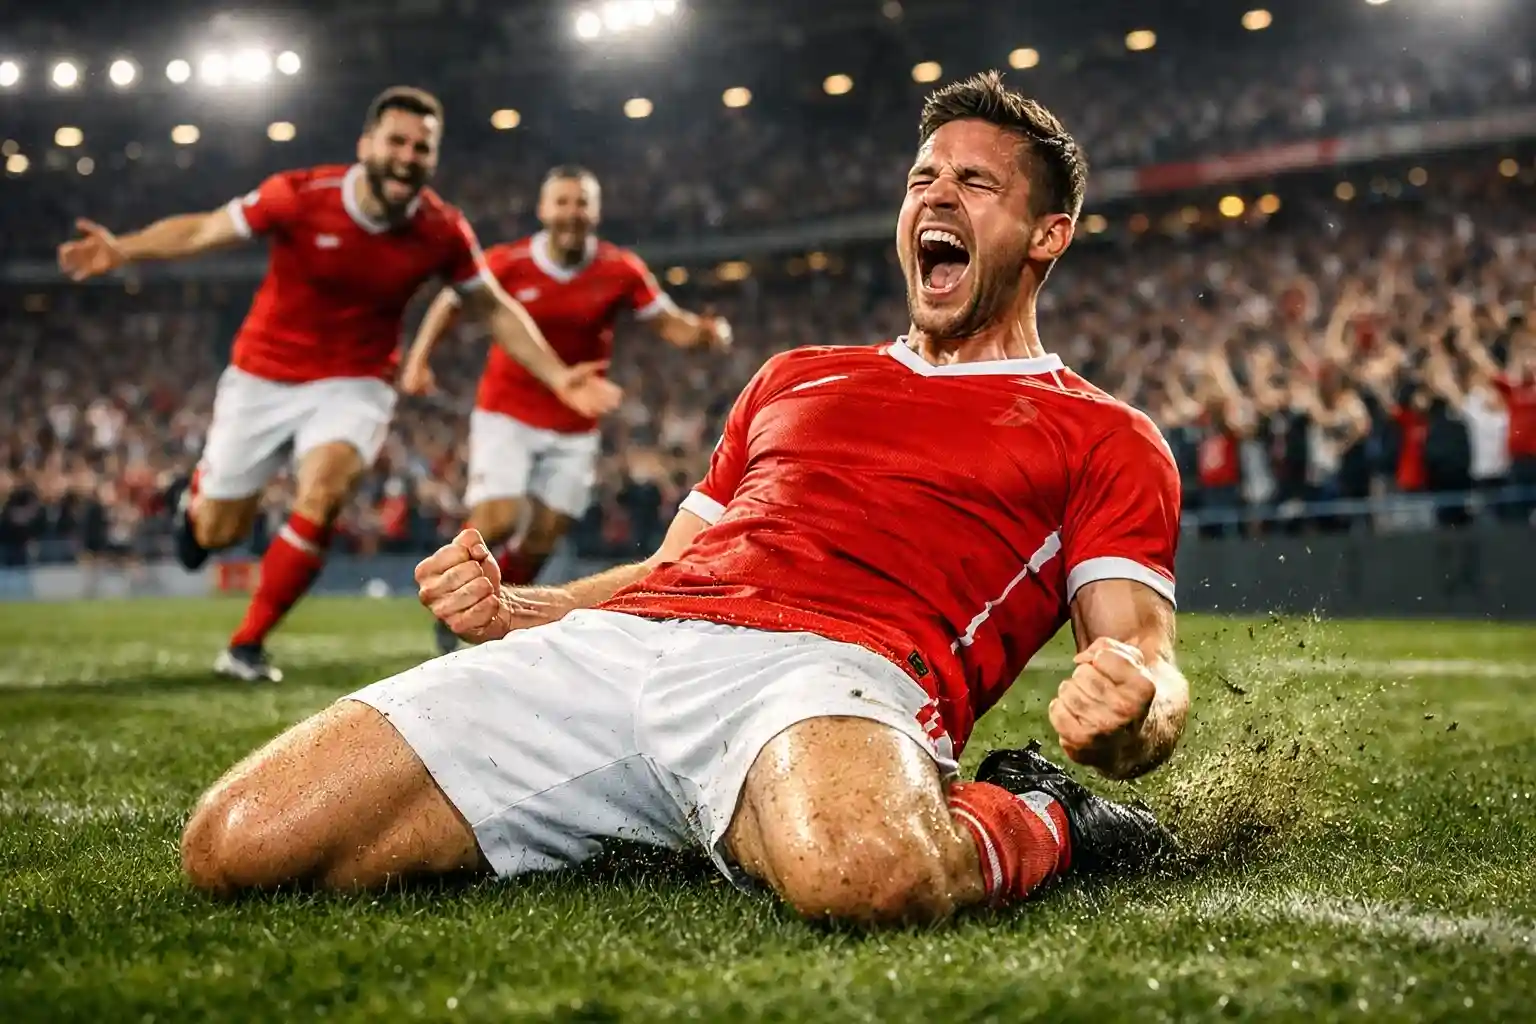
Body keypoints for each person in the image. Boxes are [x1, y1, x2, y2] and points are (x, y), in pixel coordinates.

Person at [180, 72, 1190, 928]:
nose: (938, 195)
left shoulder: (1102, 434)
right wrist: (520, 609)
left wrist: (1135, 709)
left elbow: (1144, 655)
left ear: (1048, 233)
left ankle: (1045, 815)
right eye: (924, 176)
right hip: (627, 650)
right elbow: (669, 574)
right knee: (238, 842)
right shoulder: (793, 376)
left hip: (833, 672)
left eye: (977, 181)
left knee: (862, 873)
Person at [56, 87, 620, 683]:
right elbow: (204, 231)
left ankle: (246, 646)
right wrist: (124, 249)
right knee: (217, 531)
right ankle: (195, 504)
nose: (407, 156)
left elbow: (495, 307)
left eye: (421, 147)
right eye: (397, 142)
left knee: (324, 493)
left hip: (357, 383)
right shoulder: (300, 195)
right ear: (366, 146)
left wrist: (558, 374)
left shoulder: (441, 229)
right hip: (262, 376)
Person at [399, 165, 732, 654]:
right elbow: (452, 300)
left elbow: (671, 324)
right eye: (563, 202)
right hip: (507, 411)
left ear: (595, 211)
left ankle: (494, 611)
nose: (572, 213)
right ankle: (452, 611)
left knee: (543, 537)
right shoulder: (509, 262)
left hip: (575, 425)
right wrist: (419, 358)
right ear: (543, 209)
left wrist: (707, 334)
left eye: (581, 203)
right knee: (498, 519)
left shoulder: (620, 269)